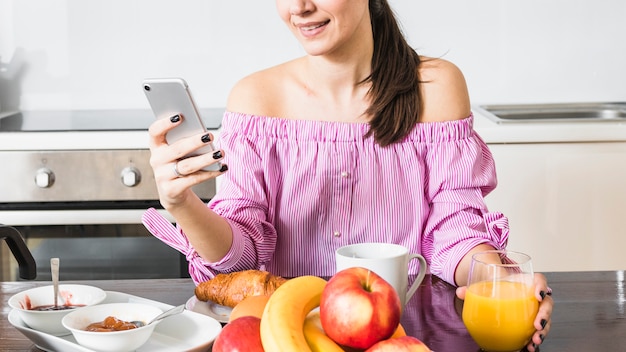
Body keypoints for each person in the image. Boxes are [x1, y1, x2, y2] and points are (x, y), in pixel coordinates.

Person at [142, 0, 553, 350]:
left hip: (403, 336)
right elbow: (242, 259)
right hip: (294, 335)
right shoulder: (256, 98)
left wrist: (501, 281)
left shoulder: (436, 87)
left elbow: (455, 229)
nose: (298, 7)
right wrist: (183, 205)